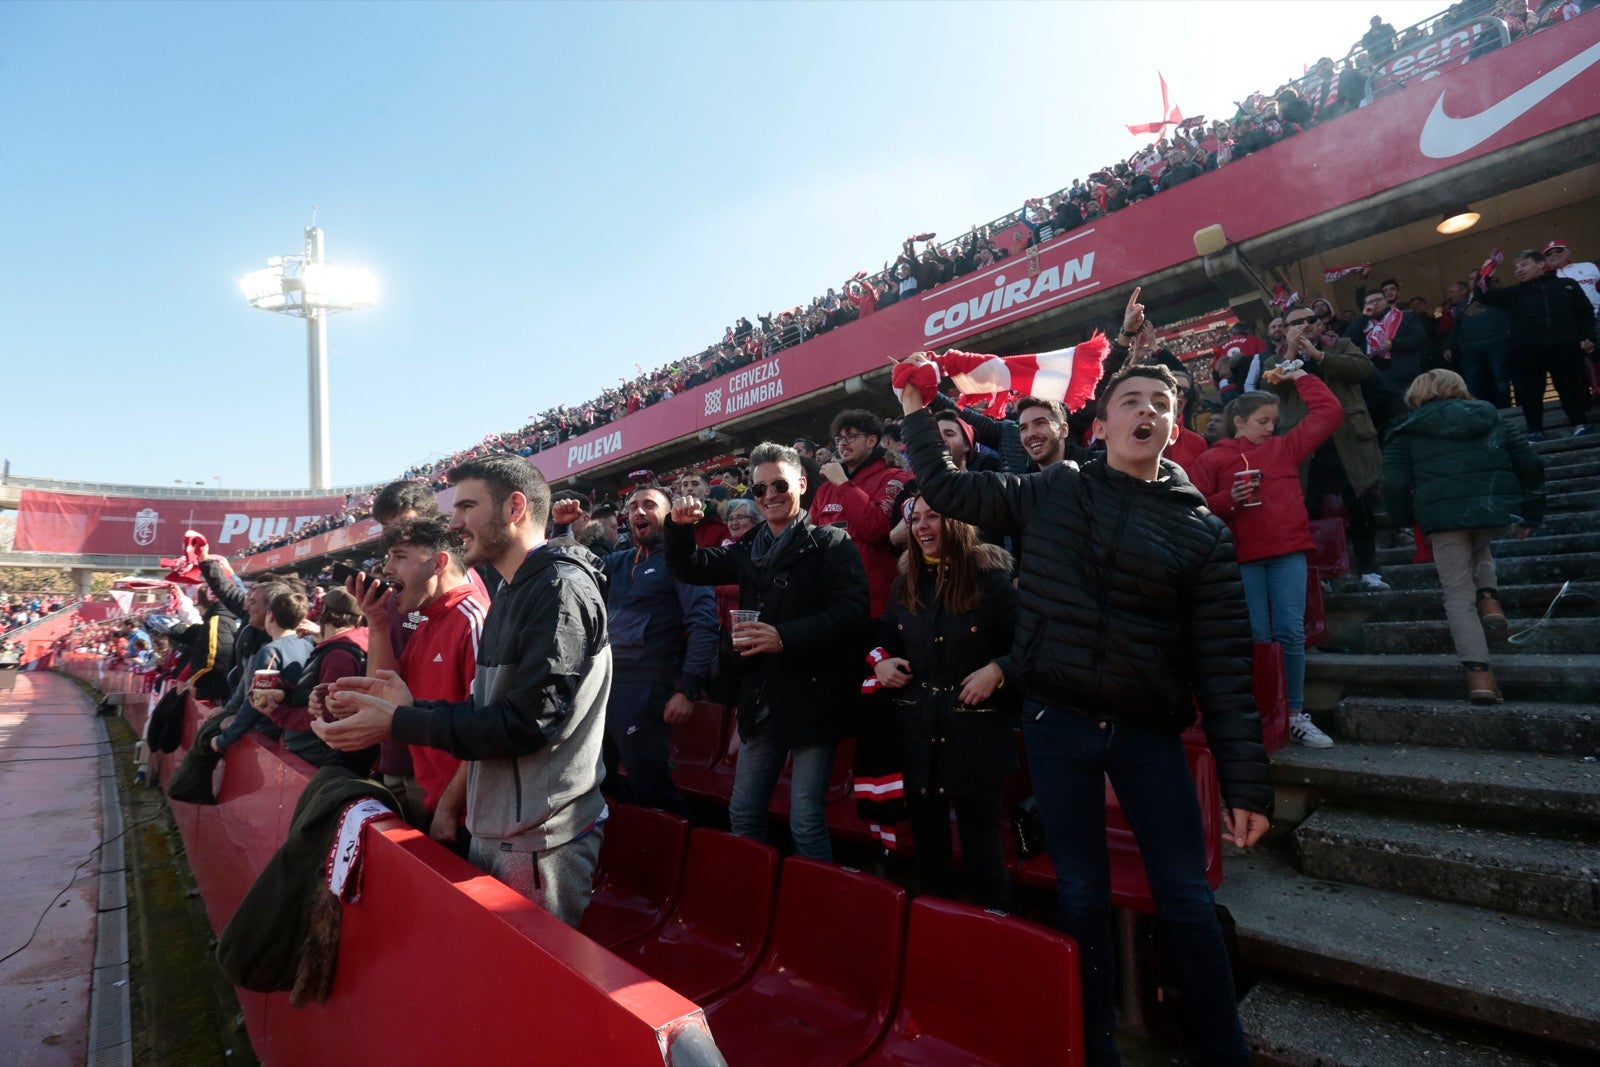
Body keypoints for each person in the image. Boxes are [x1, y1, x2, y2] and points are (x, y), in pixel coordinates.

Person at [898, 360, 1271, 1067]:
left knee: (1186, 899)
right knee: (1082, 895)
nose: (1147, 411)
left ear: (1174, 424)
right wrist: (917, 412)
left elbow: (1223, 667)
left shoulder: (1203, 532)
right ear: (1101, 423)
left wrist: (1246, 783)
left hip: (1146, 734)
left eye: (1160, 403)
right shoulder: (1057, 487)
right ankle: (1096, 1049)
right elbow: (946, 487)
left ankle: (1228, 1053)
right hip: (1057, 724)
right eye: (1130, 399)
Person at [315, 454, 612, 929]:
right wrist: (405, 705)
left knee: (528, 987)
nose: (453, 524)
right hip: (502, 827)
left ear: (514, 508)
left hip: (539, 838)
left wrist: (401, 720)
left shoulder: (559, 589)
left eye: (466, 507)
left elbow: (526, 724)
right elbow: (482, 710)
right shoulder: (517, 589)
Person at [664, 442, 870, 861]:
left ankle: (814, 914)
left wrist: (784, 637)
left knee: (806, 821)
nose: (770, 495)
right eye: (760, 490)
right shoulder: (748, 546)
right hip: (762, 699)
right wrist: (679, 527)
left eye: (779, 485)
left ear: (801, 484)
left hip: (813, 697)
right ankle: (757, 906)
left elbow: (853, 612)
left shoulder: (831, 542)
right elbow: (690, 567)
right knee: (743, 813)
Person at [872, 494, 1017, 910]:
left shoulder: (992, 580)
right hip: (918, 736)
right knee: (929, 855)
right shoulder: (905, 582)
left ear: (959, 521)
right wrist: (881, 664)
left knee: (983, 856)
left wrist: (999, 669)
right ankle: (938, 946)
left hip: (976, 738)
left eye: (932, 516)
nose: (921, 527)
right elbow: (881, 644)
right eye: (914, 519)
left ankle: (995, 945)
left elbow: (1030, 647)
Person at [1191, 371, 1344, 748]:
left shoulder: (1285, 448)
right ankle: (1266, 712)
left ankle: (1294, 714)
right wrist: (1230, 500)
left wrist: (1304, 377)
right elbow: (1194, 509)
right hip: (1243, 558)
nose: (1270, 429)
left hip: (1287, 551)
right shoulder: (1212, 459)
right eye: (1262, 422)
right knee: (1258, 637)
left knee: (1290, 631)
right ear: (1238, 422)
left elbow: (1330, 414)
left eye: (1274, 422)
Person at [1381, 370, 1544, 703]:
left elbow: (1393, 484)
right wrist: (1531, 512)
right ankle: (1489, 598)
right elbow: (1529, 463)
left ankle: (1479, 677)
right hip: (1490, 508)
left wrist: (1404, 519)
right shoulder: (1490, 416)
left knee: (1456, 596)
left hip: (1443, 518)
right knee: (1480, 544)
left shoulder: (1406, 431)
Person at [576, 485, 716, 818]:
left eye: (650, 505)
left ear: (669, 515)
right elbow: (570, 569)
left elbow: (704, 625)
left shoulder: (685, 561)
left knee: (651, 788)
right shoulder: (616, 562)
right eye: (633, 506)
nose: (639, 511)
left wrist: (688, 690)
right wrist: (564, 529)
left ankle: (685, 854)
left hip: (648, 689)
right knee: (597, 781)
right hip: (603, 686)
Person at [349, 516, 487, 845]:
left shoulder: (474, 619)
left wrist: (450, 808)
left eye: (399, 557)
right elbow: (385, 690)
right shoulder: (427, 621)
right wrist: (377, 621)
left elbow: (487, 730)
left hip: (469, 813)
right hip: (436, 797)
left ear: (439, 562)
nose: (386, 569)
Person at [1265, 308, 1389, 591]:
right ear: (1285, 330)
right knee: (1308, 508)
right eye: (1298, 322)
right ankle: (1316, 573)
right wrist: (1292, 355)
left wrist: (1319, 357)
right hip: (1305, 443)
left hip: (1347, 439)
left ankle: (1370, 571)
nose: (1306, 325)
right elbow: (1272, 388)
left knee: (1359, 506)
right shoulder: (1275, 360)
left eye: (1311, 320)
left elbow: (1363, 369)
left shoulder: (1341, 345)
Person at [1475, 248, 1597, 440]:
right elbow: (1483, 295)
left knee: (1570, 387)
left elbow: (1585, 312)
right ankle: (1535, 430)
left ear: (1541, 264)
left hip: (1564, 345)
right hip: (1527, 350)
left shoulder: (1567, 284)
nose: (1518, 270)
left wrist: (1587, 336)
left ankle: (1579, 424)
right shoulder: (1514, 292)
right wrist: (1488, 269)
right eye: (1516, 267)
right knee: (1530, 392)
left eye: (1524, 265)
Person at [260, 588, 375, 774]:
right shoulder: (346, 647)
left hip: (319, 757)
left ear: (323, 614)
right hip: (325, 755)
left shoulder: (339, 654)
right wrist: (283, 689)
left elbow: (326, 715)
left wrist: (277, 712)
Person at [810, 409, 907, 620]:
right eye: (839, 438)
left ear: (872, 440)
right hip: (832, 605)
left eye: (851, 437)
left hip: (879, 607)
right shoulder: (825, 489)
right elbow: (813, 542)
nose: (843, 444)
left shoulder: (896, 478)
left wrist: (843, 485)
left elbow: (876, 528)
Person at [1345, 289, 1430, 390]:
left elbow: (1419, 338)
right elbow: (1346, 341)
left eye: (1378, 299)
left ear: (1386, 301)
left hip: (1402, 374)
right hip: (1374, 377)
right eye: (1370, 302)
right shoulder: (1363, 322)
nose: (1375, 303)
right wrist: (1363, 317)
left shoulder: (1405, 316)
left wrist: (1395, 344)